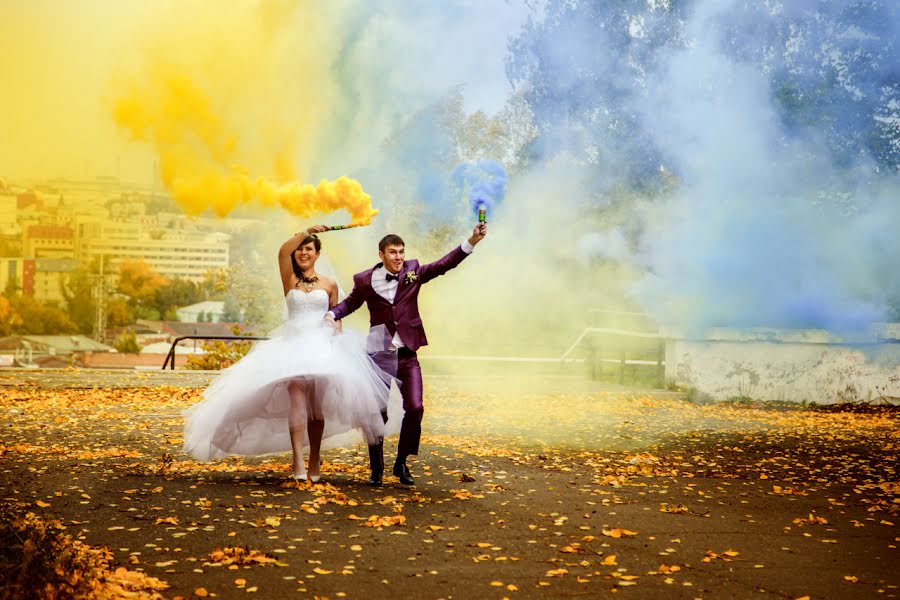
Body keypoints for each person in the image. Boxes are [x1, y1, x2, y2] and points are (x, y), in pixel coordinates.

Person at [183, 226, 394, 482]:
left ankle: (315, 457)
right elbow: (283, 251)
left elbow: (336, 313)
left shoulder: (329, 284)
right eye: (300, 249)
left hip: (321, 345)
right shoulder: (290, 279)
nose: (303, 253)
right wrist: (308, 231)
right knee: (296, 399)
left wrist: (336, 327)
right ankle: (297, 459)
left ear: (317, 254)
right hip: (292, 346)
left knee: (316, 407)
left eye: (309, 249)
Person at [326, 221, 488, 486]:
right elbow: (350, 303)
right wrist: (332, 314)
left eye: (401, 251)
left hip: (407, 354)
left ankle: (401, 463)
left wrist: (472, 241)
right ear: (381, 254)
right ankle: (376, 468)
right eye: (393, 252)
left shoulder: (413, 271)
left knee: (415, 407)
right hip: (378, 355)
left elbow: (443, 265)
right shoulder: (364, 280)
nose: (399, 257)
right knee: (377, 412)